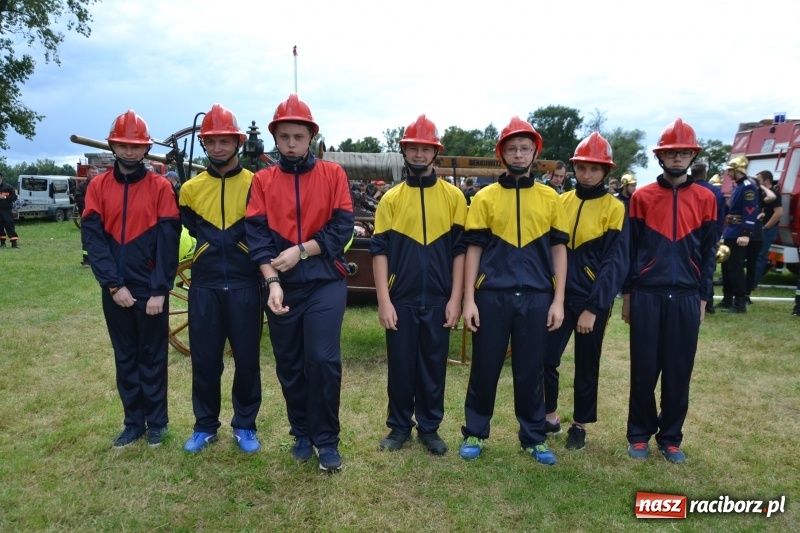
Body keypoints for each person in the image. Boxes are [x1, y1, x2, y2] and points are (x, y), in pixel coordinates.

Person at [246, 94, 354, 471]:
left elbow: (342, 228)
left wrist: (303, 251)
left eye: (299, 136)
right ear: (275, 137)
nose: (292, 143)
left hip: (325, 281)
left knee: (322, 360)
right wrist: (273, 281)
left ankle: (326, 440)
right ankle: (302, 431)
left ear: (312, 137)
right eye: (285, 136)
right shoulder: (262, 180)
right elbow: (256, 237)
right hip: (281, 286)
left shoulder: (333, 174)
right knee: (290, 363)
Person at [459, 116, 568, 465]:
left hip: (537, 296)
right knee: (485, 367)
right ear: (501, 154)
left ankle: (533, 437)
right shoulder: (485, 197)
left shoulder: (551, 198)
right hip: (492, 295)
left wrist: (559, 300)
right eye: (512, 148)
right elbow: (473, 250)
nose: (518, 154)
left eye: (524, 148)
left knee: (531, 369)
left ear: (535, 152)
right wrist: (469, 299)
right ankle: (476, 430)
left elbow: (559, 250)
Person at [82, 110, 181, 448]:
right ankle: (133, 422)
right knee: (125, 357)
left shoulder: (160, 187)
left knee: (153, 356)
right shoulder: (97, 187)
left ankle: (158, 423)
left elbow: (169, 241)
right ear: (113, 146)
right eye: (123, 145)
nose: (128, 152)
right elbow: (94, 241)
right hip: (116, 289)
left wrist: (160, 289)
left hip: (150, 289)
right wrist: (112, 284)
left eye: (135, 146)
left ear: (145, 149)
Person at [621, 118, 717, 464]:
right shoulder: (642, 197)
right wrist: (628, 297)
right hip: (648, 293)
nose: (677, 158)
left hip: (687, 296)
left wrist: (704, 298)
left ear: (692, 156)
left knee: (679, 370)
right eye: (671, 153)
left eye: (683, 153)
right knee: (644, 369)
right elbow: (630, 252)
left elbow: (709, 253)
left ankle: (671, 437)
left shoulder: (707, 198)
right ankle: (639, 434)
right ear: (661, 157)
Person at [369, 115, 467, 456]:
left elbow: (460, 252)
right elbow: (378, 252)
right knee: (400, 366)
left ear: (435, 152)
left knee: (433, 365)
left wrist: (455, 299)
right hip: (401, 297)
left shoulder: (455, 197)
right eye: (414, 148)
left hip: (440, 297)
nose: (420, 154)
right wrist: (384, 301)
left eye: (426, 148)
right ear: (404, 151)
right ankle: (398, 427)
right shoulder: (391, 199)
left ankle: (429, 427)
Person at [179, 104, 264, 455]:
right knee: (205, 360)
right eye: (211, 141)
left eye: (225, 141)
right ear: (204, 144)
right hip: (205, 287)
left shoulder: (257, 185)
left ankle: (244, 425)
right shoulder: (190, 190)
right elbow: (190, 229)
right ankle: (204, 426)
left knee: (247, 360)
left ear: (238, 142)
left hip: (246, 285)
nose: (218, 148)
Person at [543, 132, 629, 451]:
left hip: (592, 300)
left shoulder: (615, 208)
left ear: (606, 171)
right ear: (574, 168)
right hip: (559, 296)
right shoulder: (560, 201)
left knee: (586, 363)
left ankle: (579, 424)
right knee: (546, 358)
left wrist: (594, 307)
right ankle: (549, 416)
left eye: (595, 168)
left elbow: (615, 263)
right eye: (582, 167)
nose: (587, 174)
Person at [719, 156, 759, 314]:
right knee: (726, 267)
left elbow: (750, 210)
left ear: (738, 170)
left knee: (736, 268)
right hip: (731, 230)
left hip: (739, 232)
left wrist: (746, 233)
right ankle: (727, 299)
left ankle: (740, 303)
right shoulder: (739, 186)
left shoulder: (748, 187)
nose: (728, 173)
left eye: (730, 170)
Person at [690, 163, 725, 314]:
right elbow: (720, 217)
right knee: (707, 267)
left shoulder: (686, 190)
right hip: (709, 234)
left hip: (689, 236)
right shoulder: (715, 192)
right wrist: (717, 236)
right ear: (705, 175)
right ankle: (707, 302)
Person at [752, 171, 782, 288]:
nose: (757, 180)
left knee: (760, 256)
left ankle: (753, 284)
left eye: (759, 178)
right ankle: (751, 281)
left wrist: (766, 227)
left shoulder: (775, 194)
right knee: (757, 255)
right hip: (761, 228)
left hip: (768, 230)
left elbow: (779, 212)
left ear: (766, 180)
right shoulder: (763, 194)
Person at [74, 165, 99, 266]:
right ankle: (87, 260)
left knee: (101, 239)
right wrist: (91, 204)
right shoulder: (82, 187)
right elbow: (78, 198)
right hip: (87, 217)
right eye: (92, 173)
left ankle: (99, 259)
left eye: (96, 173)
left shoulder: (101, 185)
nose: (94, 175)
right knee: (87, 239)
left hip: (101, 217)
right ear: (87, 174)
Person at [0, 172, 20, 248]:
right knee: (0, 227)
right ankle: (2, 243)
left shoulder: (8, 187)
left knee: (10, 226)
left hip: (7, 210)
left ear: (1, 178)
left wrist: (5, 197)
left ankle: (14, 243)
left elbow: (14, 197)